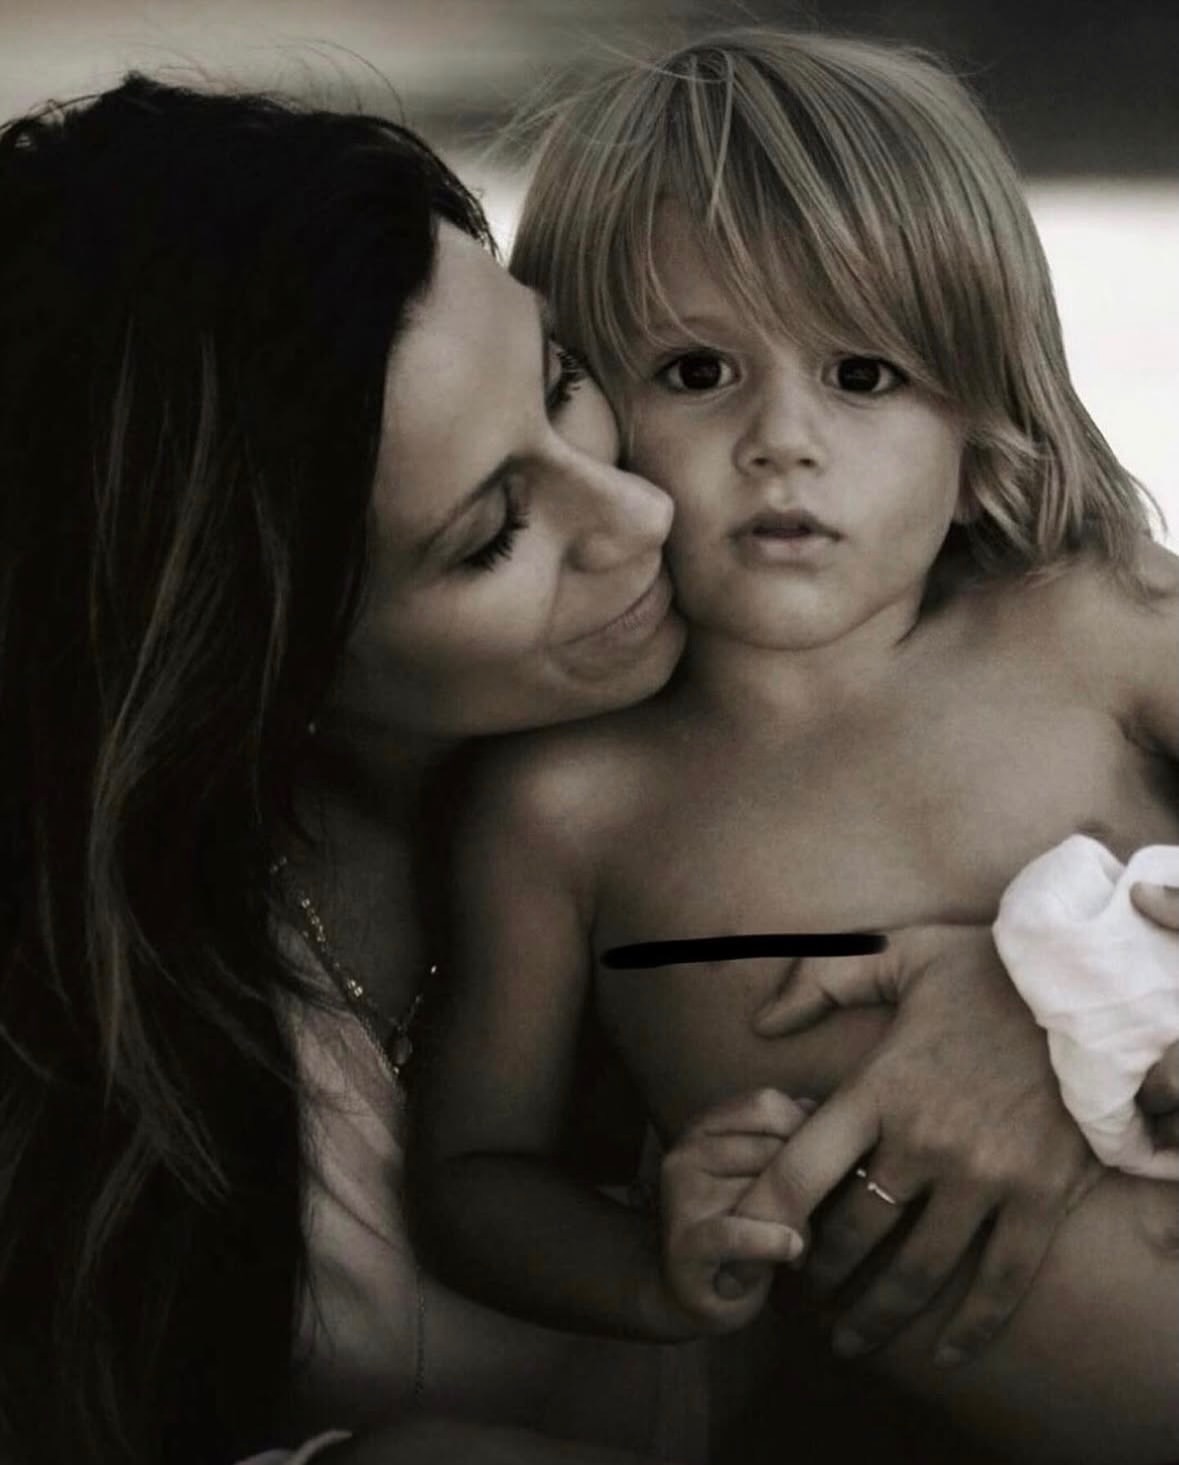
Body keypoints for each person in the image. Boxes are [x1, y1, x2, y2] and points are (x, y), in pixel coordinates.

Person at [414, 30, 1179, 1463]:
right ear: (584, 407)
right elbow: (473, 1175)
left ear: (983, 422)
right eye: (697, 368)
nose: (782, 437)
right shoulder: (566, 806)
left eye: (864, 373)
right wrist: (646, 1263)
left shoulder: (1103, 626)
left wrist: (1095, 966)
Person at [0, 72, 714, 1465]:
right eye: (490, 535)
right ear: (263, 662)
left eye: (563, 380)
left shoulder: (826, 646)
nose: (640, 513)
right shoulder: (82, 1020)